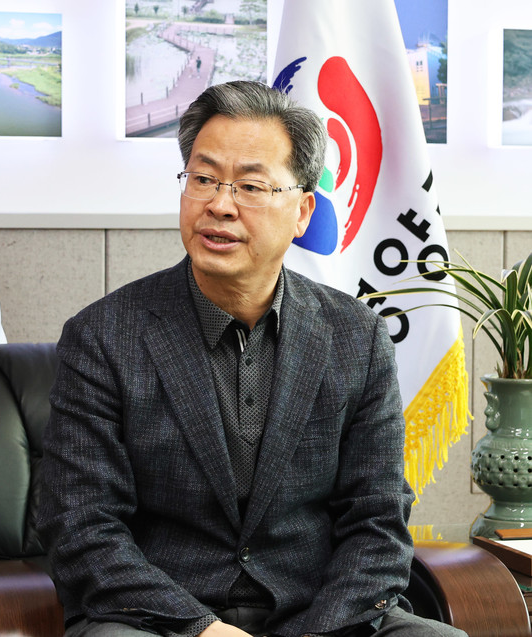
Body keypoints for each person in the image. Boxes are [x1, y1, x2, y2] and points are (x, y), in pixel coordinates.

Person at [38, 81, 466, 637]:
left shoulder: (356, 336)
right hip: (161, 622)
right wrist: (202, 629)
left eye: (251, 186)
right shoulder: (103, 336)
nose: (219, 205)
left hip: (320, 619)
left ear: (303, 212)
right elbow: (81, 527)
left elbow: (376, 522)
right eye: (203, 179)